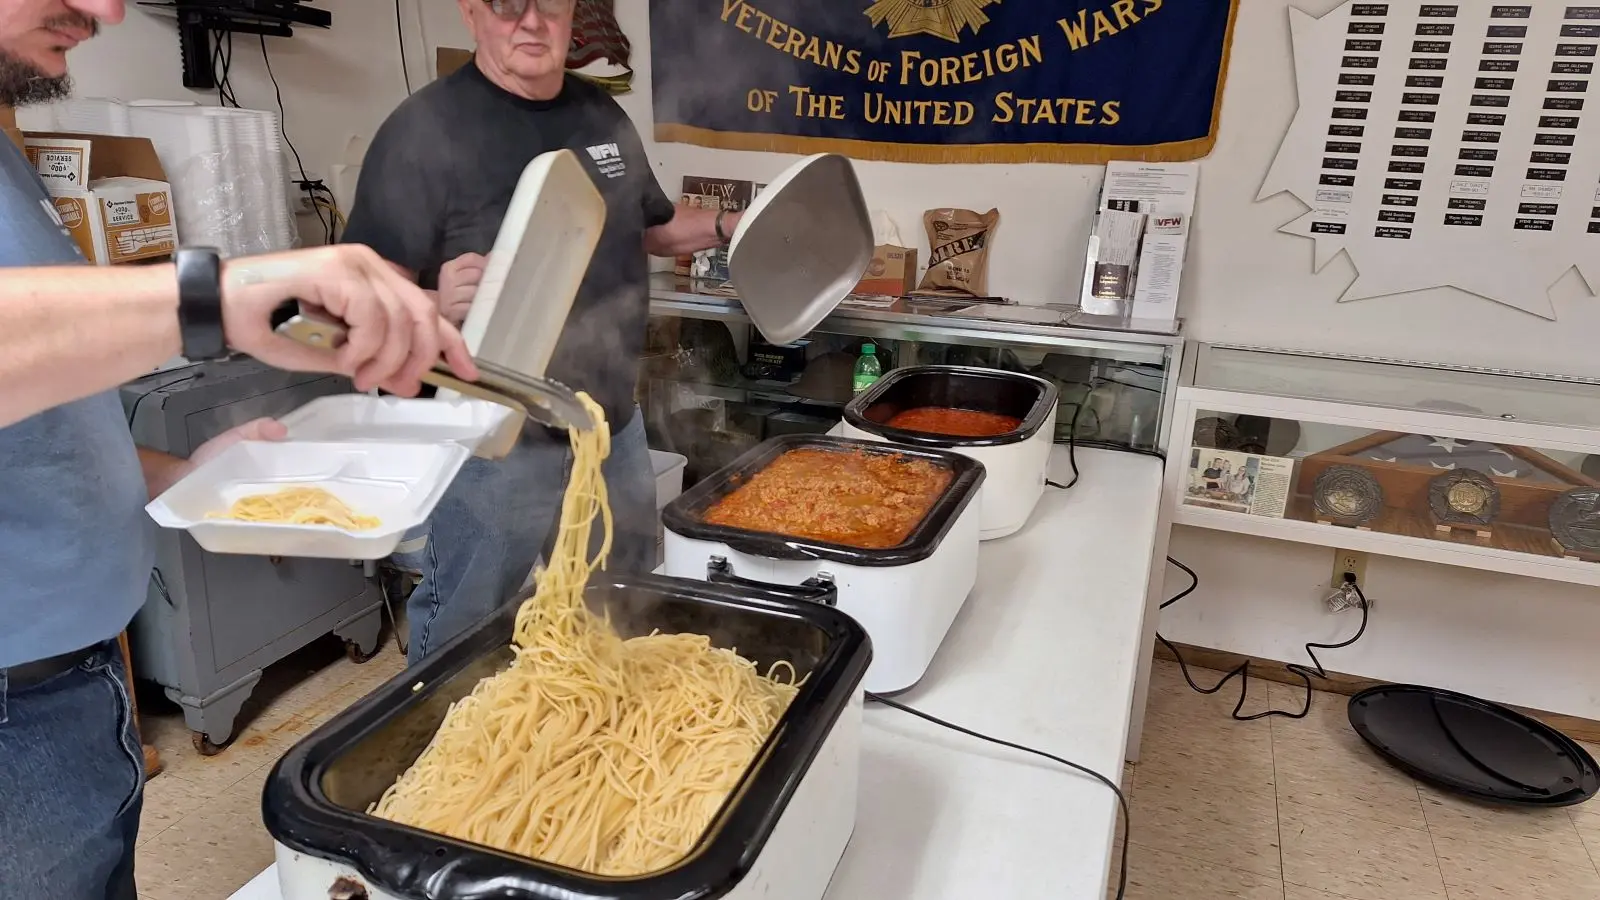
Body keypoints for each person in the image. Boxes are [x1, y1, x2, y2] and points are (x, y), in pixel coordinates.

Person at [0, 2, 477, 896]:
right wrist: (215, 299)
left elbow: (31, 425)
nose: (106, 9)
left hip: (71, 687)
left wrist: (178, 473)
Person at [343, 0, 739, 662]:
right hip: (493, 436)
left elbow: (649, 227)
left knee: (621, 597)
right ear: (472, 14)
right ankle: (439, 748)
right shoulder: (424, 129)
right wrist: (436, 302)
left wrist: (734, 227)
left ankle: (592, 731)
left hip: (608, 424)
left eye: (547, 4)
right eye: (506, 5)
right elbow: (361, 293)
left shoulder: (601, 116)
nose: (530, 22)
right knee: (470, 616)